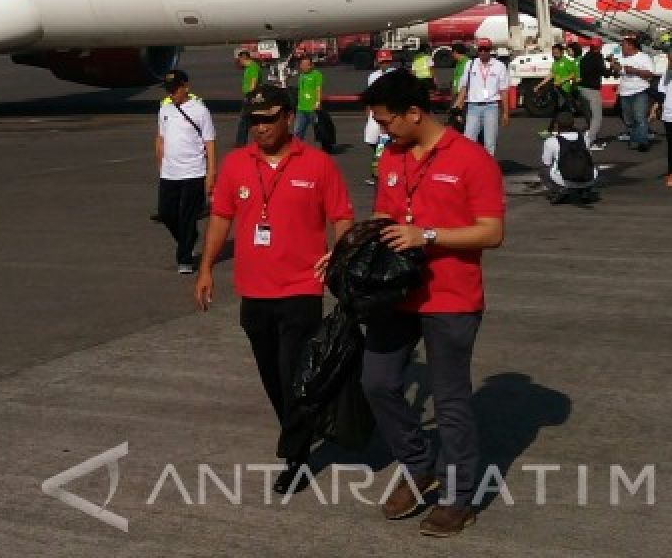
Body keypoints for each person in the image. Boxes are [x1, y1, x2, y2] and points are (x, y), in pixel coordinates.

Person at [356, 70, 505, 537]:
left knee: (451, 399)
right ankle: (421, 466)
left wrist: (429, 236)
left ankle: (459, 498)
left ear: (414, 113)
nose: (382, 130)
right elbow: (384, 213)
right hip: (396, 295)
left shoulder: (472, 160)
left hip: (451, 297)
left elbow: (491, 232)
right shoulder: (394, 156)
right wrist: (353, 249)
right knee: (376, 382)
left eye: (386, 121)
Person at [195, 84, 354, 494]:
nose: (260, 128)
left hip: (302, 288)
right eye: (254, 121)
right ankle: (300, 426)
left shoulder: (317, 165)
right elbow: (220, 220)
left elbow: (342, 217)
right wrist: (206, 268)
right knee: (271, 376)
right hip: (254, 291)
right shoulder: (235, 165)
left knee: (291, 374)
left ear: (287, 117)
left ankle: (296, 456)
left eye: (268, 119)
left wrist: (337, 255)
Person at [156, 70, 216, 273]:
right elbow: (161, 139)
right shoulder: (164, 109)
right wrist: (160, 164)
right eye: (168, 90)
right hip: (169, 172)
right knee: (166, 213)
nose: (171, 94)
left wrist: (211, 173)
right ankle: (188, 239)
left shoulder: (200, 110)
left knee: (187, 215)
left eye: (175, 89)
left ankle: (185, 260)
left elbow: (209, 143)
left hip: (193, 171)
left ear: (185, 87)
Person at [452, 39, 510, 156]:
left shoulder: (499, 66)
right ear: (477, 50)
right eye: (480, 49)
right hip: (473, 106)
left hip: (491, 107)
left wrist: (505, 112)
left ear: (490, 50)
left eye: (486, 49)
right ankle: (470, 167)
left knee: (489, 142)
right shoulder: (470, 64)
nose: (483, 52)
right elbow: (464, 87)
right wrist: (457, 105)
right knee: (468, 140)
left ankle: (489, 169)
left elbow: (504, 91)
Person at [539, 110, 598, 204]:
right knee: (590, 166)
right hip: (587, 178)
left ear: (557, 125)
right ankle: (585, 190)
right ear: (573, 123)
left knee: (543, 169)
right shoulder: (584, 139)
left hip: (563, 179)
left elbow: (546, 163)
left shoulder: (551, 141)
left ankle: (557, 189)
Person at [610, 37, 657, 152]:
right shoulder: (621, 58)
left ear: (631, 46)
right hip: (625, 92)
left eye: (623, 45)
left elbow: (650, 74)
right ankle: (634, 139)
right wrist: (615, 68)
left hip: (639, 91)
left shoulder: (643, 57)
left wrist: (634, 71)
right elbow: (618, 75)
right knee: (629, 119)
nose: (621, 48)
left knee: (639, 116)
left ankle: (642, 142)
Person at [364, 49, 398, 185]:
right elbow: (369, 94)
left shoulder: (395, 75)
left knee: (385, 141)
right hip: (374, 111)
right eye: (382, 62)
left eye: (387, 62)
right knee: (371, 139)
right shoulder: (373, 76)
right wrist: (368, 110)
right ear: (378, 62)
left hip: (388, 111)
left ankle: (380, 173)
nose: (385, 64)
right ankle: (381, 162)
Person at [534, 43, 581, 131]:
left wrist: (563, 81)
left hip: (565, 91)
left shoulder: (567, 62)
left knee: (561, 111)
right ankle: (560, 129)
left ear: (562, 52)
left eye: (556, 53)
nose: (554, 55)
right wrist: (539, 85)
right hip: (557, 91)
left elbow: (573, 74)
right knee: (560, 111)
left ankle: (553, 129)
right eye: (553, 53)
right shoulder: (555, 63)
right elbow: (551, 75)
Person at [578, 37, 608, 149]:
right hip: (592, 90)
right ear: (599, 46)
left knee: (589, 116)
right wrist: (612, 69)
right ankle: (590, 141)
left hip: (582, 89)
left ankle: (589, 137)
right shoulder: (598, 57)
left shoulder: (585, 57)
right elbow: (604, 72)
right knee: (597, 117)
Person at [293, 56, 324, 142]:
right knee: (297, 131)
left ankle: (325, 149)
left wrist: (318, 103)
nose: (304, 66)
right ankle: (298, 150)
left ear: (311, 65)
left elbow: (318, 89)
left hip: (313, 108)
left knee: (320, 131)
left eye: (306, 65)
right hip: (301, 108)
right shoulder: (301, 75)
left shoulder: (317, 74)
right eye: (302, 64)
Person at [235, 50, 262, 147]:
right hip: (250, 96)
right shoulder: (248, 68)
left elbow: (253, 84)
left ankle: (241, 143)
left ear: (243, 58)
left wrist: (249, 97)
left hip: (252, 97)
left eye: (239, 59)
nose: (239, 62)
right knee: (247, 120)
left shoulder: (253, 67)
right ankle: (241, 142)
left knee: (244, 120)